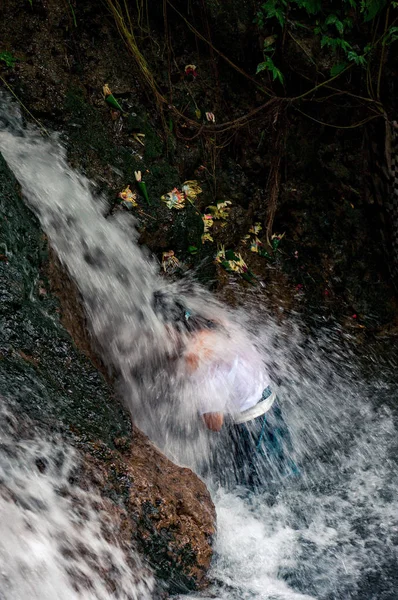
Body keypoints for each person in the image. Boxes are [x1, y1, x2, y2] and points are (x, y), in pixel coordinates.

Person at [153, 290, 298, 488]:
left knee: (262, 487)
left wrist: (190, 398)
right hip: (268, 404)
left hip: (254, 427)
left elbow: (215, 423)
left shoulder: (200, 363)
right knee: (284, 472)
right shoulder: (211, 322)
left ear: (172, 329)